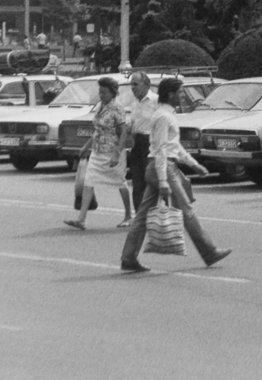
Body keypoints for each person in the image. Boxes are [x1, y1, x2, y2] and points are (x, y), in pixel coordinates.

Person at [120, 77, 231, 273]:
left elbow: (174, 146)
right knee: (186, 210)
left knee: (143, 215)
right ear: (170, 94)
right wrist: (163, 180)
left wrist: (193, 164)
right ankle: (209, 252)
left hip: (159, 167)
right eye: (180, 92)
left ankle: (128, 257)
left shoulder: (166, 114)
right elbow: (162, 149)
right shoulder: (163, 116)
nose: (182, 96)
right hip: (162, 167)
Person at [66, 77, 134, 230]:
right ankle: (81, 219)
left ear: (113, 93)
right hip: (97, 150)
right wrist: (86, 146)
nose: (101, 95)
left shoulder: (117, 108)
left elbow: (123, 132)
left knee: (120, 182)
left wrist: (117, 153)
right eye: (100, 92)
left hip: (112, 151)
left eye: (104, 92)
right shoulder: (100, 106)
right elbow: (98, 130)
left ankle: (129, 215)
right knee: (89, 181)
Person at [123, 71, 156, 212]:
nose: (132, 87)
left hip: (151, 145)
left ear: (146, 85)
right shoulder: (135, 103)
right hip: (137, 145)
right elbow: (134, 124)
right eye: (131, 84)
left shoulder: (156, 101)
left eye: (135, 84)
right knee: (137, 182)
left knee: (151, 181)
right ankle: (139, 215)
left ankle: (154, 213)